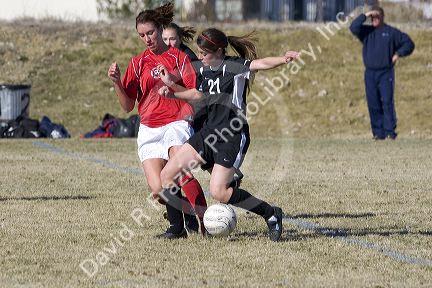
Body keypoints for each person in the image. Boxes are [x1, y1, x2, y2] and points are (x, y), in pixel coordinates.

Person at [156, 28, 300, 241]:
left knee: (219, 192)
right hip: (208, 132)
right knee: (167, 175)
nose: (200, 57)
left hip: (231, 135)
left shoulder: (234, 67)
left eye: (204, 53)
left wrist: (284, 59)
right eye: (199, 52)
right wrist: (172, 88)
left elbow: (259, 64)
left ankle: (271, 214)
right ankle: (178, 229)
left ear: (219, 51)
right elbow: (197, 95)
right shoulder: (204, 70)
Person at [107, 3, 207, 238]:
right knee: (158, 190)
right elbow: (127, 106)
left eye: (150, 33)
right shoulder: (137, 63)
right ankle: (186, 219)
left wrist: (172, 83)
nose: (147, 39)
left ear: (161, 30)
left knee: (179, 171)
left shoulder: (179, 58)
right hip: (149, 129)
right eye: (141, 35)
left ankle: (202, 222)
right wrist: (117, 83)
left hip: (177, 121)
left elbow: (195, 95)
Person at [350, 6, 415, 140]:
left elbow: (409, 43)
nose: (374, 19)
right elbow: (353, 27)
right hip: (370, 74)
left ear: (382, 17)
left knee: (386, 102)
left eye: (377, 17)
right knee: (373, 103)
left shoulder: (391, 32)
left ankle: (390, 133)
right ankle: (378, 134)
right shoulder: (366, 32)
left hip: (386, 73)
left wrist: (398, 53)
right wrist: (366, 14)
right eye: (372, 17)